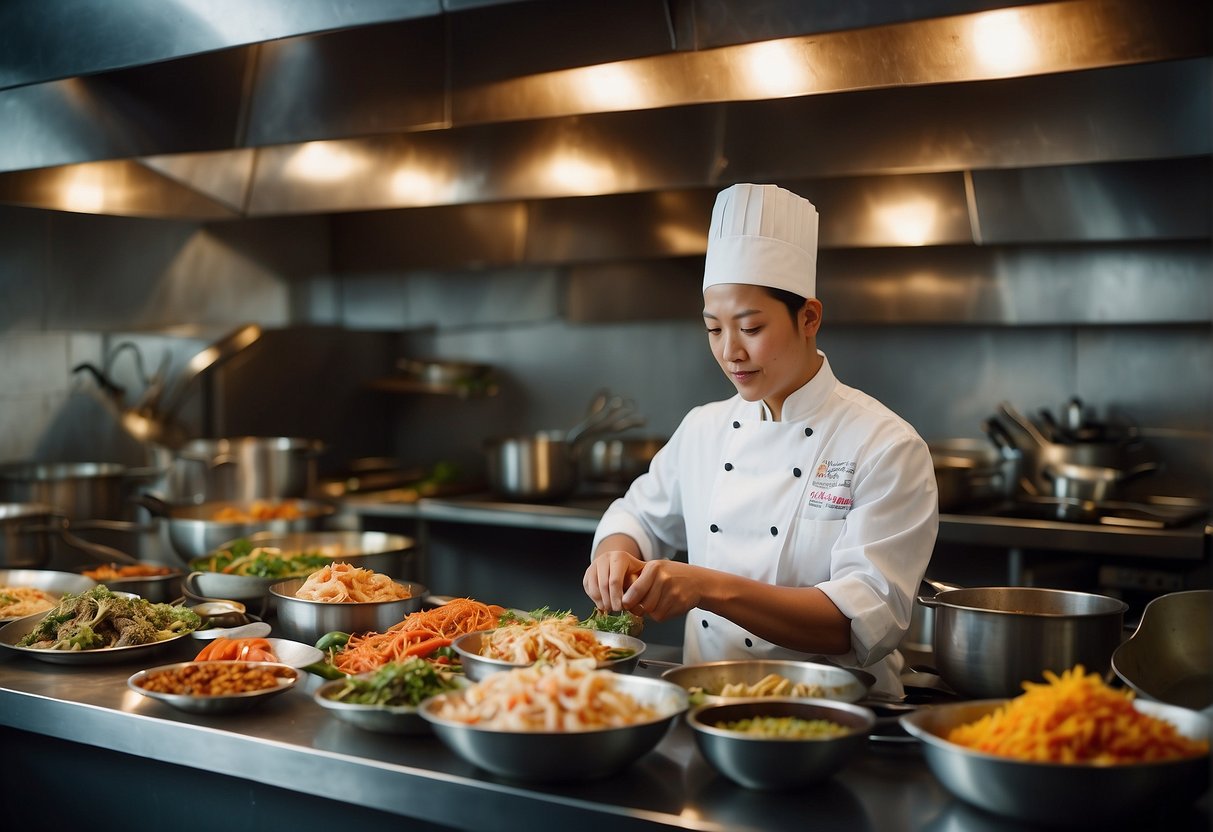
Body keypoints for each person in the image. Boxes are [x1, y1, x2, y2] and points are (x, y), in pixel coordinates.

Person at [582, 183, 938, 698]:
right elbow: (635, 517)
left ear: (809, 318)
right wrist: (614, 557)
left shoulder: (884, 445)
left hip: (837, 715)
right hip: (706, 703)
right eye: (713, 329)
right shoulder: (704, 427)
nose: (730, 352)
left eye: (750, 327)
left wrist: (704, 586)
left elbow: (858, 622)